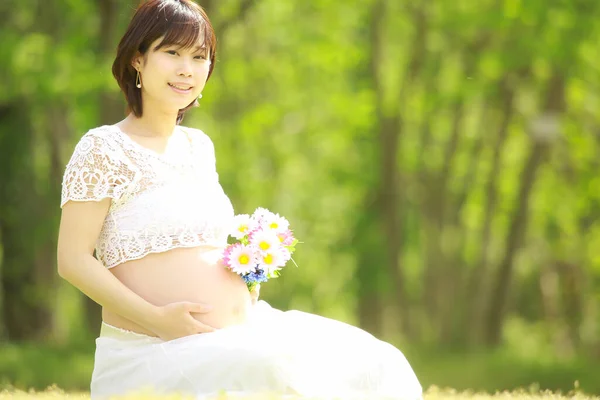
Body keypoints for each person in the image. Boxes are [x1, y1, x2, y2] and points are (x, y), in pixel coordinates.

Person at [56, 0, 423, 399]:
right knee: (272, 369)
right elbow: (72, 260)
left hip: (240, 333)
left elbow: (203, 245)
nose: (187, 69)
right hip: (153, 350)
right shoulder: (104, 148)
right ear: (138, 60)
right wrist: (157, 320)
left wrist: (245, 274)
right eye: (172, 53)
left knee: (377, 360)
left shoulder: (199, 146)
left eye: (200, 57)